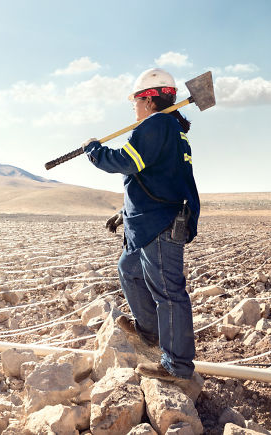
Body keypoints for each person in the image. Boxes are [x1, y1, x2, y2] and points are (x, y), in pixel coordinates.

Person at [83, 67, 200, 381]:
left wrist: (95, 151)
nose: (133, 107)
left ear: (149, 100)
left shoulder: (156, 124)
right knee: (129, 270)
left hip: (159, 224)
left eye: (135, 100)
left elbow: (127, 162)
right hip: (147, 222)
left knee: (169, 293)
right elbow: (157, 180)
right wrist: (125, 212)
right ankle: (149, 331)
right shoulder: (171, 129)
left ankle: (177, 365)